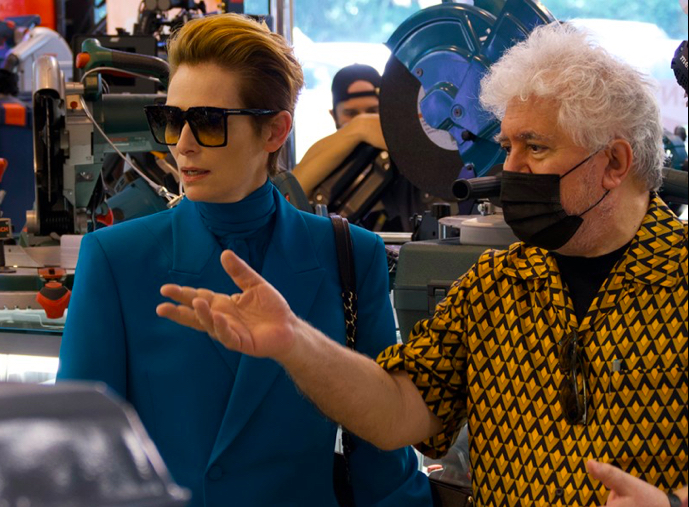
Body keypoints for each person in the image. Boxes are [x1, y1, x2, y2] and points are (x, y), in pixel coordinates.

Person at [157, 22, 688, 507]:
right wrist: (296, 342)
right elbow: (395, 413)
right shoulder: (496, 285)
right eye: (507, 146)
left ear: (614, 162)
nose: (510, 169)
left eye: (535, 147)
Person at [56, 13, 431, 507]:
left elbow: (382, 458)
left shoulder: (351, 255)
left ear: (275, 131)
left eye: (208, 121)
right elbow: (81, 452)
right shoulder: (116, 258)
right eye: (172, 119)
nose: (182, 144)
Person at [292, 64, 427, 231]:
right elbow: (289, 195)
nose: (365, 119)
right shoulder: (323, 155)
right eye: (351, 114)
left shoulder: (408, 160)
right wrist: (358, 128)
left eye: (373, 111)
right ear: (334, 115)